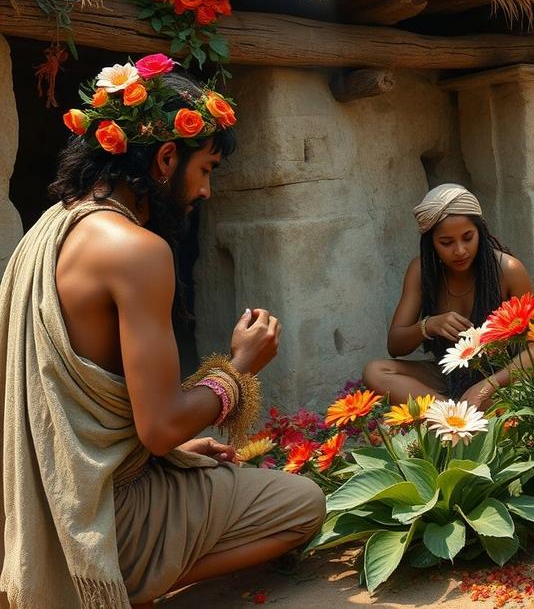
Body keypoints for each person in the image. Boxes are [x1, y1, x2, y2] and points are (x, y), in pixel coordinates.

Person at [0, 56, 325, 609]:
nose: (206, 193)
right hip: (98, 520)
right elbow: (160, 427)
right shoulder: (139, 252)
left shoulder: (50, 228)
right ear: (167, 157)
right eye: (207, 170)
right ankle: (112, 585)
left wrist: (159, 455)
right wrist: (238, 368)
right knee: (304, 503)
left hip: (33, 515)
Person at [363, 183, 534, 407]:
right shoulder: (421, 271)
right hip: (449, 375)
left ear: (480, 233)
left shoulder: (509, 270)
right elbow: (395, 345)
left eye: (467, 237)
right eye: (446, 243)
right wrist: (429, 325)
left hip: (500, 379)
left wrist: (490, 384)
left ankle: (457, 417)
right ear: (431, 244)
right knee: (375, 372)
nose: (460, 250)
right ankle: (451, 415)